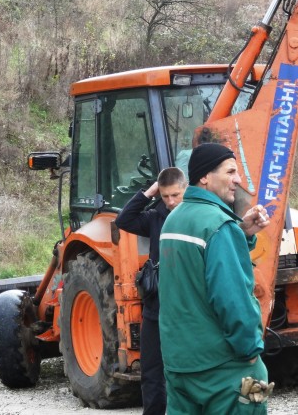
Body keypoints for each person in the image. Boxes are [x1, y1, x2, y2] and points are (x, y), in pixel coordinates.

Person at [158, 143, 271, 414]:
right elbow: (233, 300)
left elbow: (191, 277)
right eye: (230, 171)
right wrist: (251, 352)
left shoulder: (173, 220)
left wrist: (240, 233)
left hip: (179, 365)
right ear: (205, 177)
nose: (238, 180)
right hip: (225, 368)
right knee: (256, 390)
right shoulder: (219, 226)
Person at [114, 167, 187, 415]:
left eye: (175, 195)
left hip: (185, 307)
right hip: (156, 307)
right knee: (152, 370)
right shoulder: (156, 216)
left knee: (185, 368)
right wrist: (149, 192)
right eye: (165, 196)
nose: (171, 202)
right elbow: (123, 220)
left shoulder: (196, 218)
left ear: (186, 189)